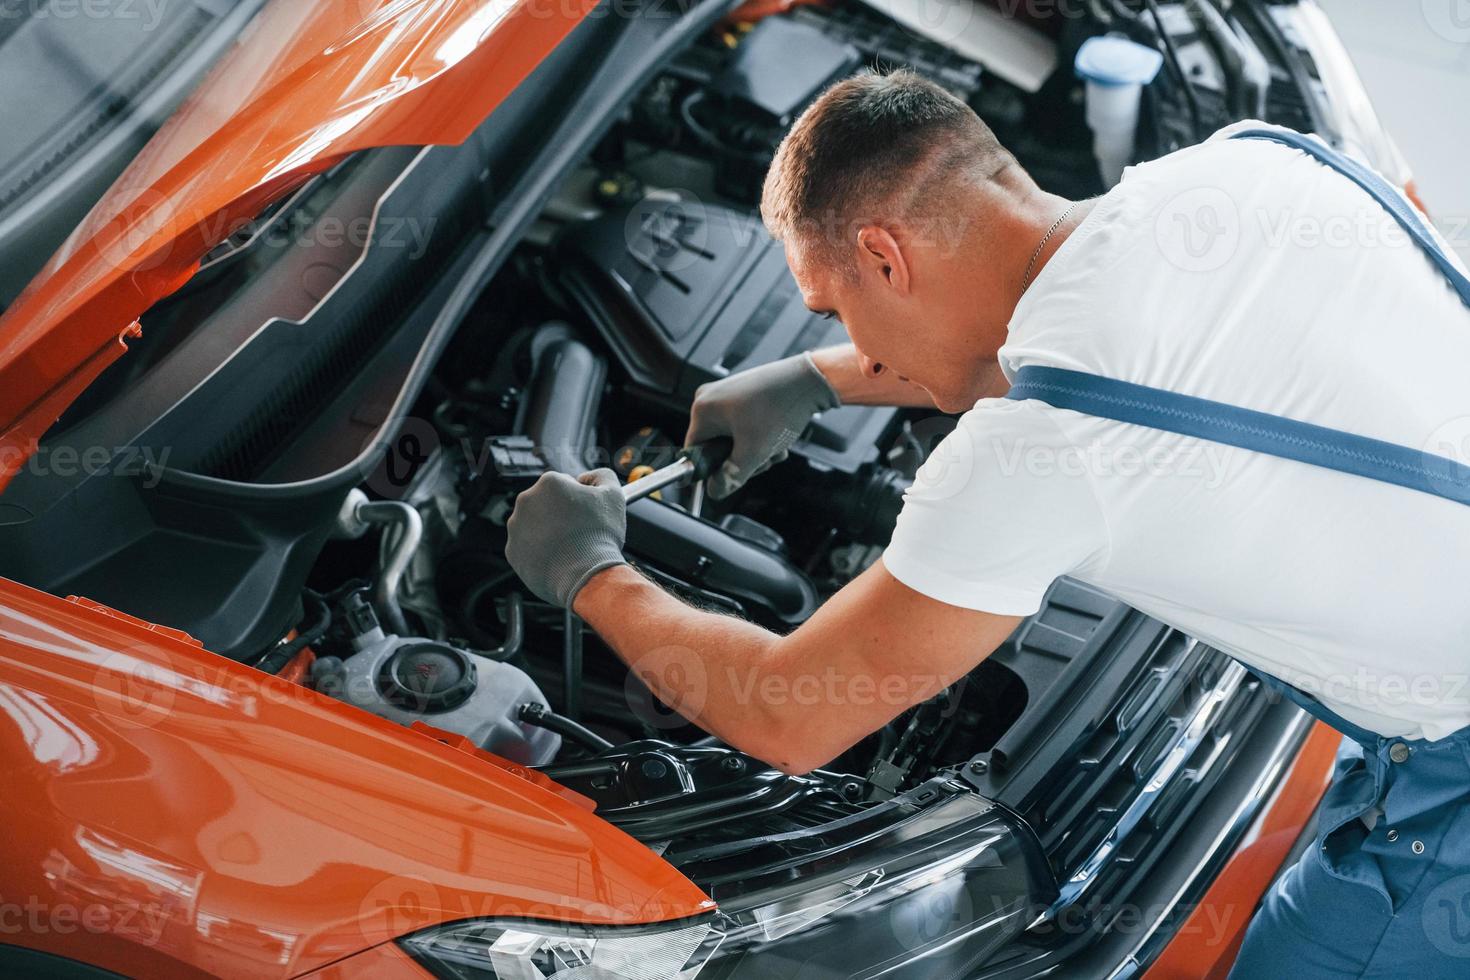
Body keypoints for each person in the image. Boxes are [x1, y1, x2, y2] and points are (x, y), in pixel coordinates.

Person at [505, 69, 1470, 975]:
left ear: (885, 255)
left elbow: (788, 714)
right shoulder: (1253, 165)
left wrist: (586, 565)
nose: (847, 338)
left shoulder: (1032, 457)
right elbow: (1133, 352)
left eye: (834, 310)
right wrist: (815, 381)